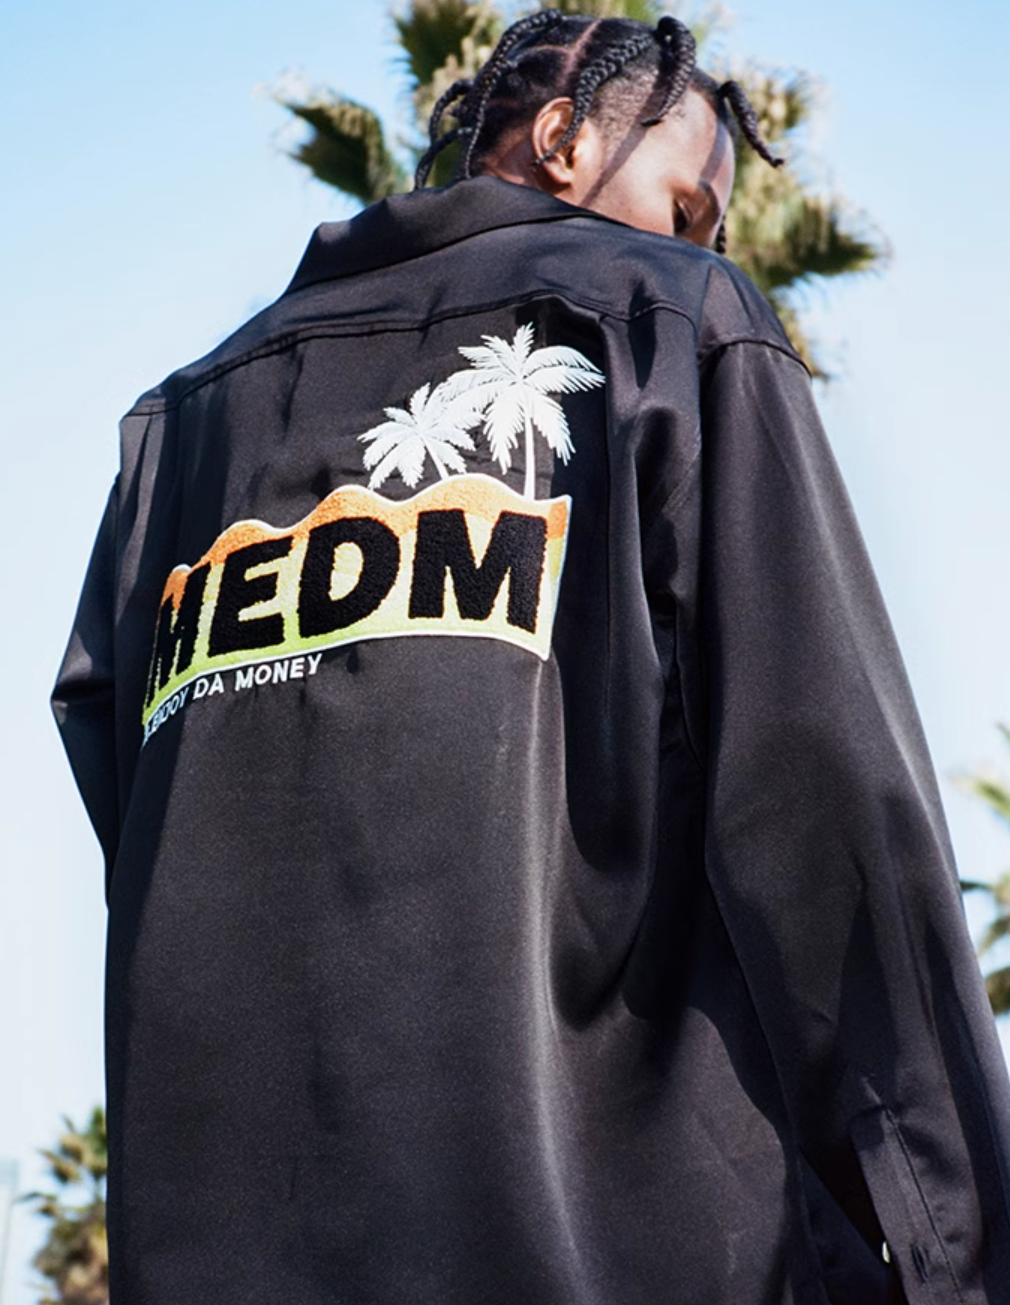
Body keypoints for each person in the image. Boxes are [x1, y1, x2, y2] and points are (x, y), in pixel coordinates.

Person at [53, 12, 1010, 1305]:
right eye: (688, 205)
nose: (702, 247)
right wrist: (956, 1245)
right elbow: (828, 808)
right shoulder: (666, 324)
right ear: (563, 139)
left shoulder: (184, 428)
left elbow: (138, 804)